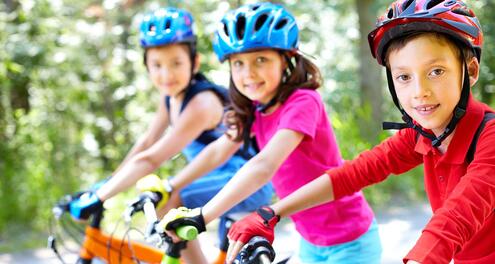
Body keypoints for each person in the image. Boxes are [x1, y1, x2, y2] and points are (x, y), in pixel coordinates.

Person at [220, 0, 495, 263]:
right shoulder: (422, 134)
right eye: (404, 77)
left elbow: (457, 218)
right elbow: (352, 174)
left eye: (436, 71)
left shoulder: (490, 137)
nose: (419, 92)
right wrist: (272, 212)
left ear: (470, 71)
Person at [158, 2, 382, 264]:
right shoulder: (255, 108)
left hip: (350, 240)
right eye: (238, 63)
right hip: (310, 242)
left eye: (260, 60)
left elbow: (264, 165)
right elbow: (218, 151)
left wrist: (203, 215)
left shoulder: (303, 102)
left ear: (286, 59)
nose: (248, 73)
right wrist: (170, 185)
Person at [67, 7, 273, 263]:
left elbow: (152, 159)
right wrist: (106, 185)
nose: (167, 75)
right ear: (146, 66)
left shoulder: (200, 103)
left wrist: (100, 197)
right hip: (215, 179)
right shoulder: (170, 97)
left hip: (248, 182)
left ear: (194, 63)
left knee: (172, 199)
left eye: (176, 63)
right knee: (168, 201)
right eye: (157, 65)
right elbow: (146, 143)